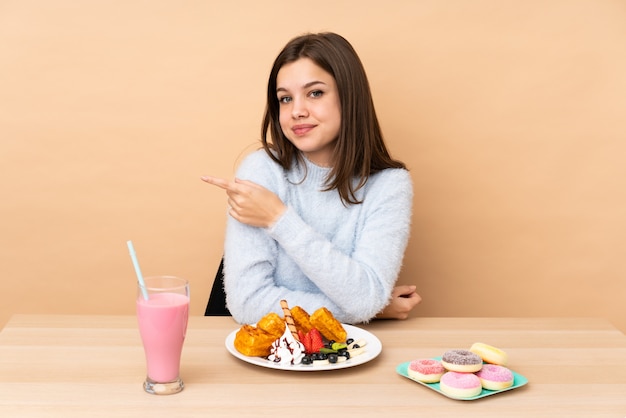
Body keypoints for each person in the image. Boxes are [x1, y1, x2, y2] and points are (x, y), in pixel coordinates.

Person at [202, 32, 421, 325]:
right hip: (264, 356)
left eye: (315, 93)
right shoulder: (261, 171)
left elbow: (366, 298)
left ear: (349, 96)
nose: (297, 111)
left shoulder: (389, 185)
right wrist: (368, 310)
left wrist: (279, 219)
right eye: (285, 99)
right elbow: (248, 303)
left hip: (344, 357)